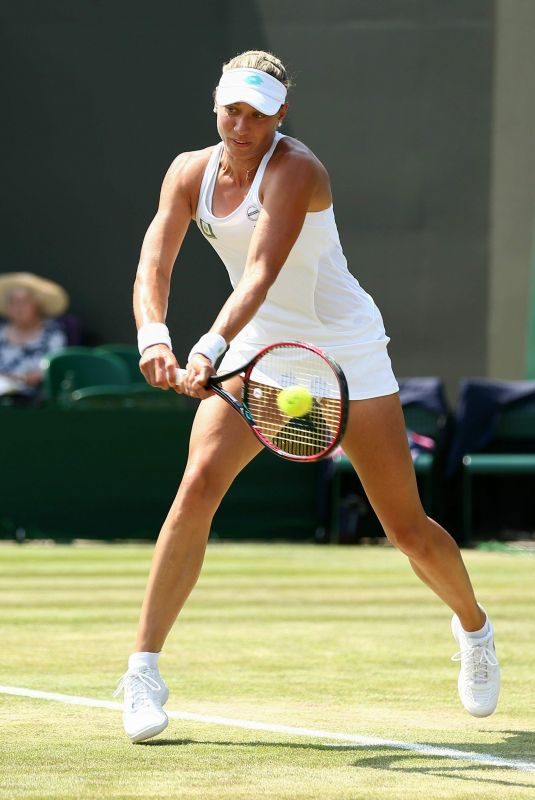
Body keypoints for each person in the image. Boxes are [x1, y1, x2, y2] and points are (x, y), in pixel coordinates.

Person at [115, 50, 500, 743]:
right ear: (216, 105)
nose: (242, 123)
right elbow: (155, 262)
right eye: (232, 108)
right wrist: (153, 338)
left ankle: (474, 629)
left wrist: (205, 348)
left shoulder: (297, 170)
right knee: (197, 484)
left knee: (405, 529)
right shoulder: (187, 172)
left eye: (257, 113)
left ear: (279, 115)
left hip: (341, 346)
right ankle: (142, 671)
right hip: (258, 345)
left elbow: (260, 271)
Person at [0, 272, 68, 402]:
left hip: (34, 401)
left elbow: (51, 370)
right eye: (13, 303)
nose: (18, 308)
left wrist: (20, 379)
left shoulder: (52, 333)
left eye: (24, 302)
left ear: (37, 305)